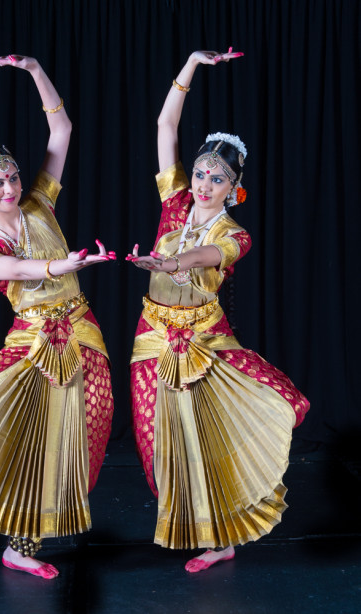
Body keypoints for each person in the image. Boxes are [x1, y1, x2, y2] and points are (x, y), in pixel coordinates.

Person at [0, 52, 115, 580]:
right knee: (33, 441)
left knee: (76, 436)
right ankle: (20, 545)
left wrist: (33, 70)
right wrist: (64, 262)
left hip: (81, 334)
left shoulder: (39, 205)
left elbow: (62, 127)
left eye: (11, 176)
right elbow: (13, 267)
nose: (10, 189)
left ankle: (35, 537)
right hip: (33, 349)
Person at [126, 49, 310, 572]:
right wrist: (190, 65)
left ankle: (221, 538)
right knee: (155, 438)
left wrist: (170, 259)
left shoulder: (235, 234)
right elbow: (166, 124)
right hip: (152, 336)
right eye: (201, 172)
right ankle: (185, 520)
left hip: (205, 342)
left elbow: (207, 256)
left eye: (216, 178)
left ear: (234, 187)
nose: (204, 183)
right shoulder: (175, 204)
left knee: (207, 437)